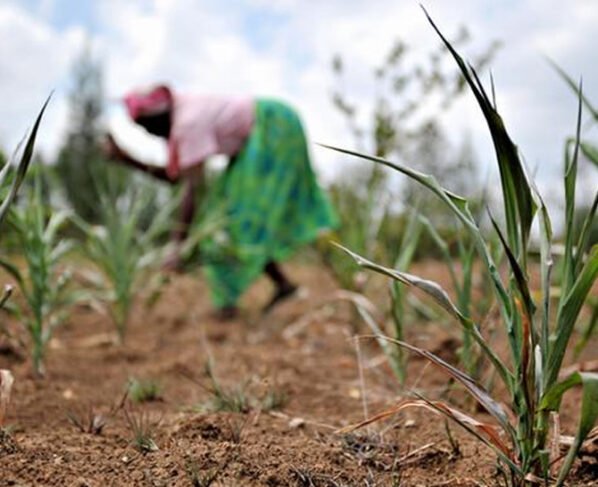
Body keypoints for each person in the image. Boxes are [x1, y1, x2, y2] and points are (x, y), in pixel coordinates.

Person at [104, 84, 338, 320]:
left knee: (240, 218)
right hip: (254, 138)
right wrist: (126, 159)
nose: (148, 133)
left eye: (147, 126)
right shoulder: (181, 119)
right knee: (228, 218)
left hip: (273, 126)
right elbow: (177, 178)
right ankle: (280, 285)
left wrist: (177, 246)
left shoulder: (188, 123)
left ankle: (336, 262)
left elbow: (191, 188)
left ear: (159, 115)